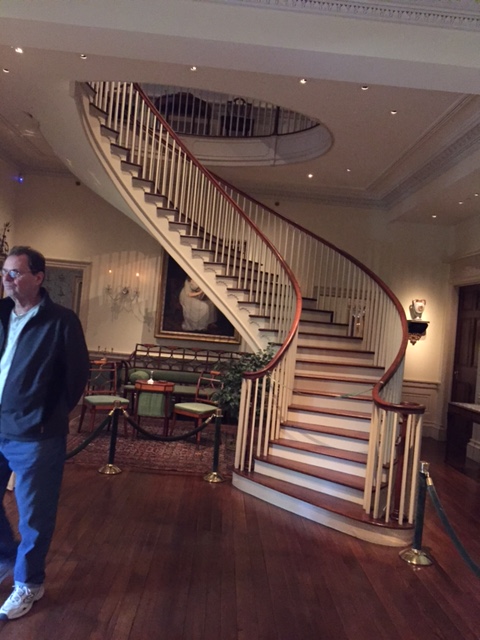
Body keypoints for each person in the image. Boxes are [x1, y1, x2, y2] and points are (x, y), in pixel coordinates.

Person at [0, 246, 89, 621]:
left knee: (34, 516)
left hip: (35, 434)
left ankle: (29, 583)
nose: (7, 278)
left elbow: (76, 377)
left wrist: (46, 415)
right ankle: (7, 558)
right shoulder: (0, 313)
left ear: (38, 278)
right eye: (5, 271)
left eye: (15, 272)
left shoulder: (61, 321)